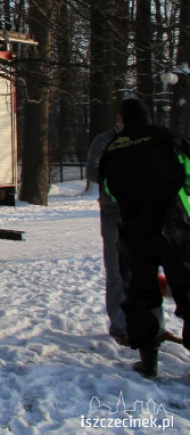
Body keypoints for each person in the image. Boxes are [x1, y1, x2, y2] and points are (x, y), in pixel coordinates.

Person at [98, 97, 190, 377]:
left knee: (141, 297)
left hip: (134, 233)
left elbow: (110, 191)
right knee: (188, 291)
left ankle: (148, 363)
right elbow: (187, 174)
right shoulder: (170, 138)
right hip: (175, 229)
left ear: (122, 119)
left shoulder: (113, 148)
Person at [86, 121, 174, 347]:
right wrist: (123, 176)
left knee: (147, 270)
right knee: (116, 271)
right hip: (113, 213)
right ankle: (119, 327)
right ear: (120, 119)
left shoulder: (147, 138)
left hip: (143, 212)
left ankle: (157, 326)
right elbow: (93, 171)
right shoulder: (104, 141)